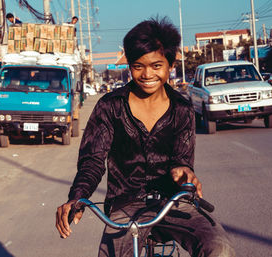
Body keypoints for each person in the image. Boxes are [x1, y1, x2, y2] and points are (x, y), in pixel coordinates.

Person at [56, 17, 235, 257]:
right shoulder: (110, 106)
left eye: (156, 65)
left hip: (174, 203)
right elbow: (92, 161)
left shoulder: (182, 109)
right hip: (125, 206)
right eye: (138, 66)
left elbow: (182, 161)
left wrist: (183, 172)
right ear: (129, 65)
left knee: (220, 248)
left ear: (170, 65)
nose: (147, 74)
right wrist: (77, 197)